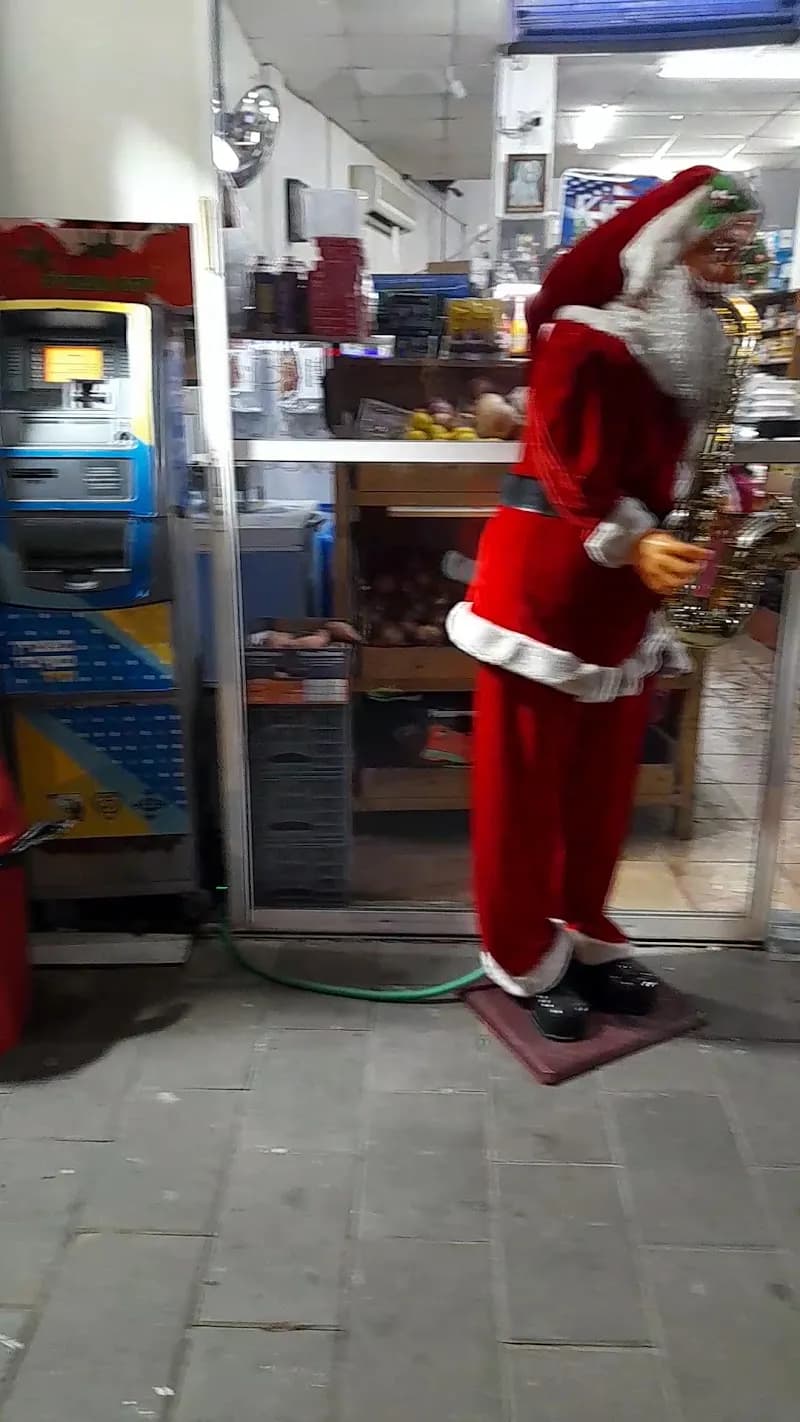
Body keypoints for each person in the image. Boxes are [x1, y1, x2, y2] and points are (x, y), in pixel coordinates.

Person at [447, 167, 760, 1041]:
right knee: (525, 788)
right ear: (665, 249)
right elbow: (563, 469)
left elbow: (668, 466)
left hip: (624, 601)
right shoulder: (583, 342)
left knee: (600, 791)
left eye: (736, 249)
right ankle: (517, 956)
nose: (728, 265)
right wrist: (639, 541)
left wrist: (715, 502)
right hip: (544, 593)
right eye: (715, 244)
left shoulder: (691, 345)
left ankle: (585, 933)